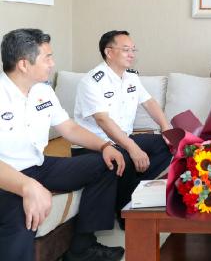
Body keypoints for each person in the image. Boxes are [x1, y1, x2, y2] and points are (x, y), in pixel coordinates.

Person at [0, 29, 126, 261]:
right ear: (24, 64)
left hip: (38, 165)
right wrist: (27, 186)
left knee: (107, 163)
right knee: (22, 220)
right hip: (6, 176)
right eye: (47, 57)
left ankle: (81, 248)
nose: (52, 63)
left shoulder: (43, 90)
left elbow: (69, 129)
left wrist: (105, 146)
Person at [73, 30, 172, 229]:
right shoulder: (91, 81)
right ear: (109, 52)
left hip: (122, 139)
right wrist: (132, 148)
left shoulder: (131, 78)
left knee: (166, 145)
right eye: (126, 49)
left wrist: (166, 128)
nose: (131, 54)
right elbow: (102, 120)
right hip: (96, 145)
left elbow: (149, 102)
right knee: (125, 157)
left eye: (133, 50)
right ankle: (125, 212)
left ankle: (130, 193)